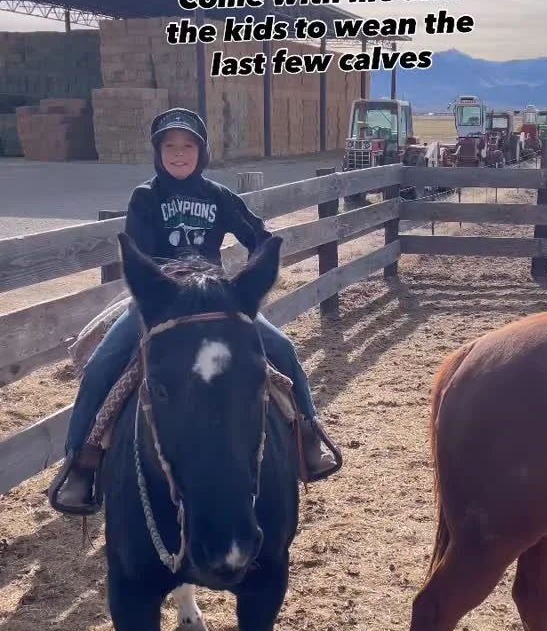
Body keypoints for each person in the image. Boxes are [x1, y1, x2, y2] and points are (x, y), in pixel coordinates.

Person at [50, 107, 336, 513]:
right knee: (100, 367)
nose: (179, 154)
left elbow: (259, 235)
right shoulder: (146, 197)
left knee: (283, 349)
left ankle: (307, 433)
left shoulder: (217, 196)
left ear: (202, 152)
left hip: (215, 300)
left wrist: (246, 284)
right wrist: (161, 288)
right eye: (170, 146)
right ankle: (80, 462)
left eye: (188, 146)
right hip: (160, 301)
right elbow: (141, 255)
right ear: (157, 152)